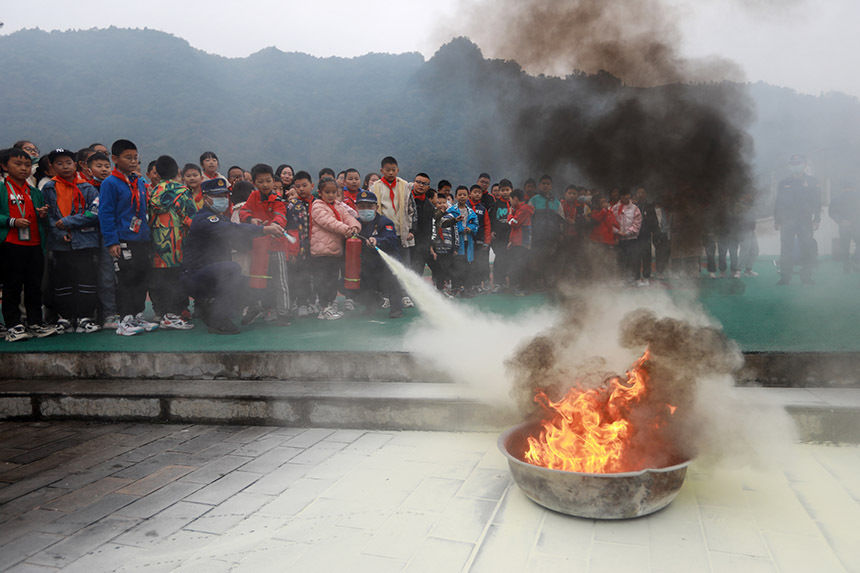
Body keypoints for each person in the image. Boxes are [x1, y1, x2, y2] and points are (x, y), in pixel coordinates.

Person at [182, 178, 284, 334]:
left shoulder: (220, 217)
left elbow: (238, 241)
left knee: (254, 285)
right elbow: (232, 230)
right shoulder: (206, 219)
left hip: (212, 274)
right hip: (196, 276)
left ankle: (210, 310)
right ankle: (218, 321)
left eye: (224, 195)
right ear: (205, 198)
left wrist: (257, 226)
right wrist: (265, 230)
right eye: (217, 196)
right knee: (232, 269)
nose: (222, 199)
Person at [98, 139, 158, 336]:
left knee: (142, 275)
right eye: (128, 158)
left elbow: (142, 212)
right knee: (127, 277)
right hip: (122, 238)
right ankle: (124, 319)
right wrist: (112, 241)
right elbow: (105, 213)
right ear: (115, 159)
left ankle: (137, 314)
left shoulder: (138, 182)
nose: (133, 161)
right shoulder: (110, 183)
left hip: (141, 238)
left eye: (135, 158)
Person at [0, 148, 58, 341]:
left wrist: (42, 214)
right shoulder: (2, 188)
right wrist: (11, 222)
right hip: (10, 244)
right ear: (4, 166)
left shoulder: (33, 191)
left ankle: (35, 323)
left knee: (34, 286)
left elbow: (42, 219)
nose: (24, 168)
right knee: (12, 286)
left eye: (27, 165)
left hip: (34, 244)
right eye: (18, 164)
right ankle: (13, 325)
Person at [42, 148, 101, 334]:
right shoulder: (49, 187)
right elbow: (48, 215)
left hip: (85, 241)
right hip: (60, 244)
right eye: (59, 163)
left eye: (68, 162)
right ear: (52, 167)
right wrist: (60, 233)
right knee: (62, 281)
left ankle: (85, 317)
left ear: (75, 164)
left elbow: (94, 212)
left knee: (86, 279)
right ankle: (65, 317)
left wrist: (68, 223)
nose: (65, 166)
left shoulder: (87, 187)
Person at [147, 155, 197, 330]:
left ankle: (161, 313)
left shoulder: (153, 191)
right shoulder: (182, 191)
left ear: (158, 173)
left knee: (159, 279)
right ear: (177, 171)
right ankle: (174, 315)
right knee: (176, 279)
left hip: (157, 244)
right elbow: (191, 219)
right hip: (177, 243)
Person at [239, 163, 291, 325]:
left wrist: (274, 224)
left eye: (268, 181)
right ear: (254, 183)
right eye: (261, 182)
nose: (265, 185)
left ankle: (284, 314)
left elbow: (281, 216)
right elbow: (243, 212)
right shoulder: (253, 197)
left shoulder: (277, 200)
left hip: (277, 246)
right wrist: (251, 219)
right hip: (259, 247)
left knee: (280, 281)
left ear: (273, 181)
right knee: (258, 280)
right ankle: (258, 308)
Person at [310, 176, 360, 320]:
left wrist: (355, 227)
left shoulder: (338, 206)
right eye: (328, 192)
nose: (331, 195)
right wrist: (347, 229)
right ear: (320, 193)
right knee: (323, 280)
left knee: (332, 280)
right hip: (321, 252)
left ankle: (329, 306)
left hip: (335, 252)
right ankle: (324, 307)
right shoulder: (317, 206)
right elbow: (329, 222)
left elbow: (349, 217)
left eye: (334, 192)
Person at [369, 156, 416, 307]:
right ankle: (388, 297)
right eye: (387, 170)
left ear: (398, 170)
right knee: (386, 266)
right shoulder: (375, 187)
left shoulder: (405, 186)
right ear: (381, 170)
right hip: (384, 235)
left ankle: (404, 295)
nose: (390, 172)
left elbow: (411, 210)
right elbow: (372, 211)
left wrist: (411, 230)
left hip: (402, 234)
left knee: (404, 266)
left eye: (393, 170)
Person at [355, 190, 404, 318]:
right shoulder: (355, 223)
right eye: (362, 206)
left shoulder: (384, 222)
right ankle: (370, 306)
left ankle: (396, 308)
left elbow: (391, 239)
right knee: (367, 284)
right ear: (356, 207)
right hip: (369, 262)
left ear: (376, 207)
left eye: (369, 206)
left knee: (392, 282)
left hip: (387, 260)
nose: (365, 209)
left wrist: (377, 240)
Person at [774, 154, 821, 285]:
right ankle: (785, 277)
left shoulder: (813, 181)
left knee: (807, 249)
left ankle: (806, 277)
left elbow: (817, 202)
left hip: (805, 221)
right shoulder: (783, 183)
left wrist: (817, 219)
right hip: (787, 221)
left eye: (799, 163)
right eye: (793, 164)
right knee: (786, 250)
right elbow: (778, 203)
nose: (796, 166)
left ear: (805, 165)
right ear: (790, 166)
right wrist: (777, 220)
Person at [286, 171, 315, 316]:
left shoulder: (319, 203)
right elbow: (290, 230)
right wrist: (292, 250)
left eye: (305, 185)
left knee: (316, 275)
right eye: (298, 186)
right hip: (300, 248)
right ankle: (301, 303)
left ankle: (315, 302)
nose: (301, 189)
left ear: (312, 185)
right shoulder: (291, 206)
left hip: (316, 247)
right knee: (300, 276)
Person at [528, 175, 564, 290]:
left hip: (552, 238)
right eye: (543, 183)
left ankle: (549, 284)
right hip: (537, 237)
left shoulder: (557, 203)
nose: (545, 186)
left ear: (551, 186)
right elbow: (527, 219)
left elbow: (561, 221)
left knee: (551, 261)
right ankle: (536, 283)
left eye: (548, 184)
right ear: (539, 185)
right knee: (537, 260)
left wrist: (561, 234)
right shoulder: (533, 200)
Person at [447, 185, 479, 296]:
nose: (462, 197)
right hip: (457, 243)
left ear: (468, 196)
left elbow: (476, 224)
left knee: (468, 266)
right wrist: (460, 229)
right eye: (459, 194)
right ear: (455, 196)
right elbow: (447, 225)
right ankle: (455, 288)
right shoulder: (451, 211)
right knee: (457, 266)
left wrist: (471, 228)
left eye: (464, 194)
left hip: (468, 242)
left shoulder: (471, 211)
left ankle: (467, 289)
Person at [429, 191, 459, 294]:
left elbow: (455, 232)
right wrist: (432, 247)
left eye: (444, 202)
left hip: (448, 248)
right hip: (438, 249)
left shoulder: (450, 216)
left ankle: (448, 288)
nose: (442, 205)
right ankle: (439, 289)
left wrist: (455, 247)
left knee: (448, 269)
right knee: (438, 270)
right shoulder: (433, 217)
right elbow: (431, 232)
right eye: (439, 203)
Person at [610, 189, 642, 283]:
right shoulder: (614, 208)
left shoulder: (635, 208)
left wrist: (628, 232)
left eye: (627, 195)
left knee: (633, 259)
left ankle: (635, 279)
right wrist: (617, 232)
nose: (625, 197)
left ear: (630, 195)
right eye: (623, 195)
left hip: (631, 238)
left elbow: (637, 223)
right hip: (619, 238)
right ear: (620, 197)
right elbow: (610, 222)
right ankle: (621, 279)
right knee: (620, 259)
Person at [507, 189, 535, 295]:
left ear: (515, 199)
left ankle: (521, 288)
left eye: (510, 199)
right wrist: (511, 241)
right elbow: (515, 230)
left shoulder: (524, 209)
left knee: (520, 265)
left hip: (522, 243)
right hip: (517, 242)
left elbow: (514, 223)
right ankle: (518, 287)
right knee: (516, 264)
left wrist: (509, 214)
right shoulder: (519, 209)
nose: (510, 202)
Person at [829, 181, 860, 273]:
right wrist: (842, 221)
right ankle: (852, 263)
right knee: (846, 246)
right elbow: (832, 212)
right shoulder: (838, 199)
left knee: (846, 246)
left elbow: (832, 212)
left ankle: (851, 264)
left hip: (852, 225)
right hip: (851, 225)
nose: (848, 190)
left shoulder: (838, 198)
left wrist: (842, 221)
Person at [467, 184, 492, 292]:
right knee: (468, 262)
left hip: (479, 240)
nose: (477, 194)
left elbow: (487, 226)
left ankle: (477, 284)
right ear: (470, 193)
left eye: (479, 192)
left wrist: (487, 242)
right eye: (475, 192)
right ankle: (467, 284)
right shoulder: (464, 206)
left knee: (478, 263)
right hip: (467, 240)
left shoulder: (483, 209)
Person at [409, 172, 434, 278]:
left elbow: (429, 229)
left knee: (417, 271)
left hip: (420, 245)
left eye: (424, 183)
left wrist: (426, 247)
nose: (420, 185)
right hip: (406, 241)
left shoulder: (429, 206)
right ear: (413, 183)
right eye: (418, 182)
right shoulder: (405, 199)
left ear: (428, 187)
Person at [490, 179, 513, 291]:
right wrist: (492, 231)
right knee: (499, 259)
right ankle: (499, 283)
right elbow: (491, 219)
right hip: (499, 237)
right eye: (502, 190)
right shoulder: (496, 204)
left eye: (507, 190)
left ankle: (511, 283)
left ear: (511, 190)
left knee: (511, 259)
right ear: (499, 191)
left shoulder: (514, 204)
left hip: (511, 237)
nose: (505, 192)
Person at [633, 187, 658, 285]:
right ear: (636, 194)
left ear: (646, 194)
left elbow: (655, 221)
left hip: (646, 235)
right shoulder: (633, 206)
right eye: (638, 192)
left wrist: (655, 232)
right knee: (636, 257)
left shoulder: (649, 206)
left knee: (647, 256)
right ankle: (637, 278)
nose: (640, 194)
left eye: (642, 192)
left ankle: (646, 276)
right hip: (635, 236)